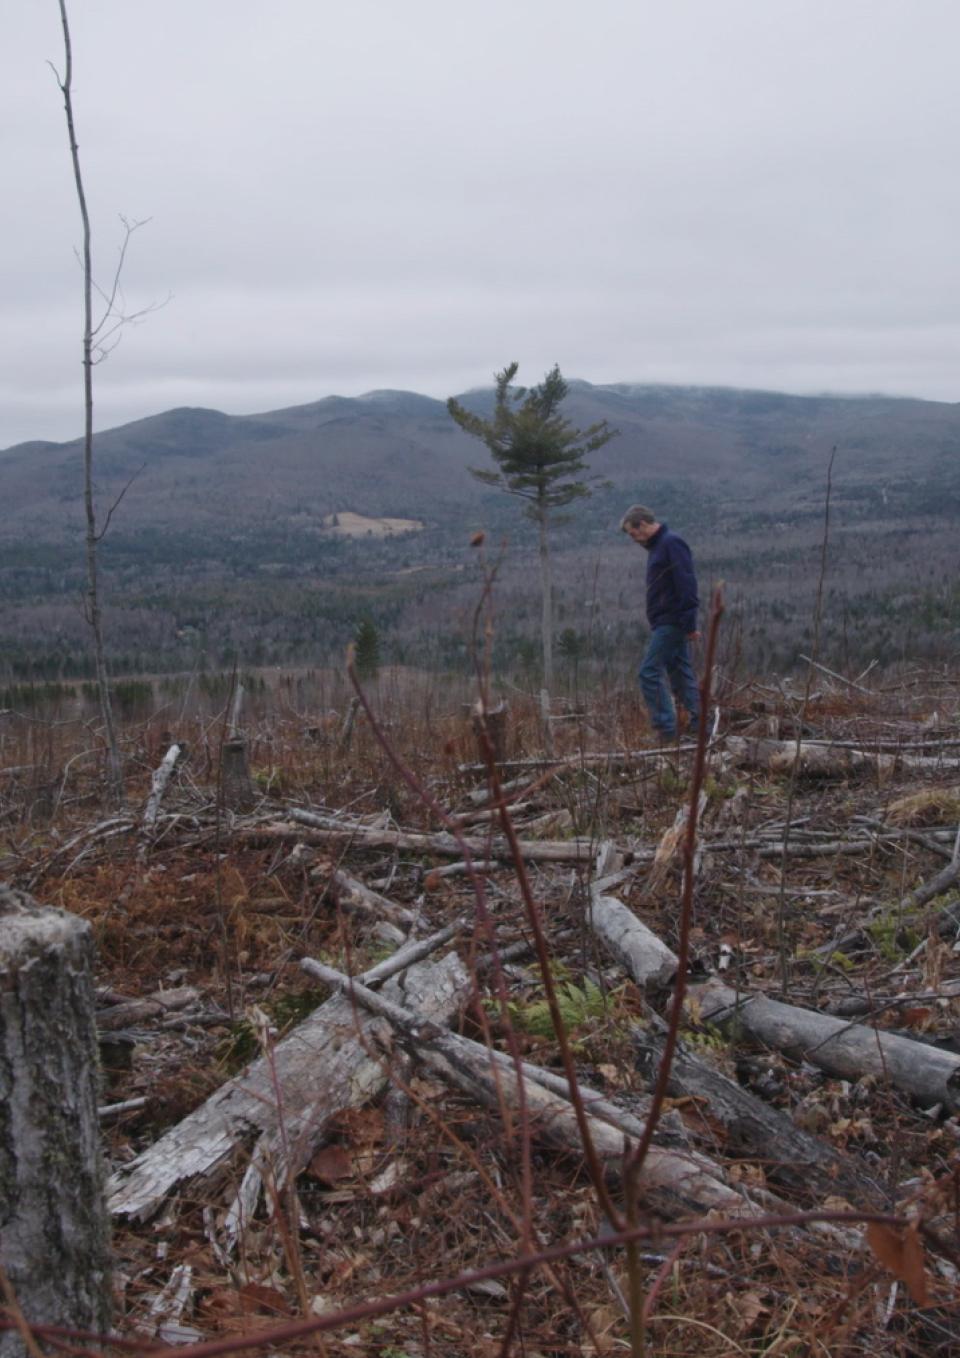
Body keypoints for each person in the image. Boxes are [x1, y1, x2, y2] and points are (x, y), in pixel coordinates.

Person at [620, 504, 700, 741]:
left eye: (633, 534)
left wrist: (690, 623)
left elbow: (686, 583)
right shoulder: (658, 548)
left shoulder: (671, 543)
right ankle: (701, 726)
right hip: (667, 621)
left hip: (672, 621)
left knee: (649, 672)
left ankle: (666, 729)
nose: (634, 539)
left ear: (642, 524)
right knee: (680, 674)